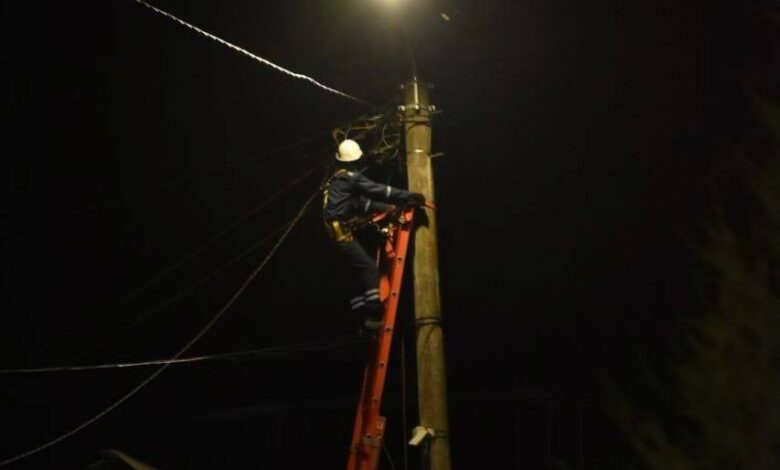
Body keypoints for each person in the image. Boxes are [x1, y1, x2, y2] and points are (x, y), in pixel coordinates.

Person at [322, 139, 425, 332]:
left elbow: (363, 204)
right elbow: (378, 190)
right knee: (369, 269)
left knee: (355, 274)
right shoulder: (350, 178)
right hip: (340, 234)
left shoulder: (338, 180)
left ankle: (360, 318)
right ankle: (374, 315)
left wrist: (388, 208)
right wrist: (407, 196)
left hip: (333, 234)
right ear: (355, 160)